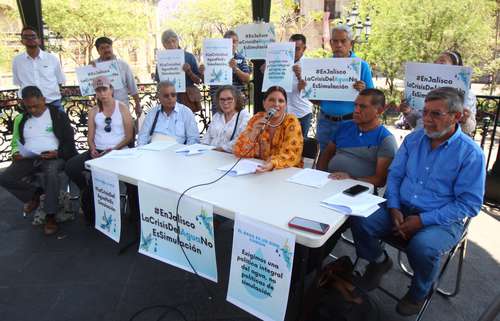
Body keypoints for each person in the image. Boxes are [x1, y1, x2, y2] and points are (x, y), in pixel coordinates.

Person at [350, 87, 485, 316]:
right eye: (425, 112)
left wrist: (422, 220)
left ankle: (419, 291)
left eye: (436, 114)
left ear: (457, 116)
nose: (427, 120)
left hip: (441, 219)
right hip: (399, 207)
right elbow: (395, 175)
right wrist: (393, 206)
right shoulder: (414, 139)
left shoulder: (471, 154)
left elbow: (469, 204)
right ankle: (379, 260)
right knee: (358, 216)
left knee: (423, 247)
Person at [0, 86, 77, 235]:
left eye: (36, 106)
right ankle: (35, 194)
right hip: (28, 157)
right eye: (29, 107)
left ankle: (50, 216)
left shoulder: (58, 115)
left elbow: (69, 142)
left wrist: (57, 153)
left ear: (43, 100)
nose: (33, 110)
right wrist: (16, 153)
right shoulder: (21, 119)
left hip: (54, 156)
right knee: (5, 178)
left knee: (51, 172)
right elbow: (15, 141)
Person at [65, 76, 134, 222]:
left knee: (131, 181)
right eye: (98, 90)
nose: (102, 93)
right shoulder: (94, 111)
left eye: (104, 89)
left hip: (119, 151)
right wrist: (93, 149)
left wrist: (114, 149)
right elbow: (90, 135)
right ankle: (84, 188)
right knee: (71, 166)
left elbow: (129, 136)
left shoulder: (122, 107)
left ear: (111, 90)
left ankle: (132, 214)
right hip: (99, 152)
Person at [316, 89, 397, 189]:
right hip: (329, 183)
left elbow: (380, 180)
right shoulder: (344, 127)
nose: (356, 110)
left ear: (379, 111)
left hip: (357, 190)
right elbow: (326, 155)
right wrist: (319, 177)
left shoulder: (385, 139)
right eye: (355, 105)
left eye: (363, 107)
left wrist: (351, 179)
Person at [317, 25, 374, 150]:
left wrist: (363, 91)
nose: (338, 45)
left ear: (350, 43)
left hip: (350, 123)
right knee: (323, 160)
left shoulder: (361, 65)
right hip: (325, 121)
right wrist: (306, 88)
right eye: (335, 41)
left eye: (343, 41)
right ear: (331, 43)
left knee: (345, 160)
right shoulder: (323, 65)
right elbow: (316, 100)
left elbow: (373, 99)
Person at [234, 86, 304, 172]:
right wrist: (253, 134)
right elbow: (239, 151)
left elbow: (291, 154)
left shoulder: (291, 121)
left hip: (285, 172)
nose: (276, 104)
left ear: (285, 105)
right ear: (264, 103)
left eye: (281, 101)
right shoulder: (257, 118)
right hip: (259, 170)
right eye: (271, 100)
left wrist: (272, 164)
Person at [12, 26, 66, 111]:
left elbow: (60, 81)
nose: (30, 39)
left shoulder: (52, 59)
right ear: (22, 41)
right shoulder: (17, 61)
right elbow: (19, 83)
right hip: (29, 106)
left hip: (52, 103)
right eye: (26, 37)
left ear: (39, 40)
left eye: (33, 36)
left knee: (60, 124)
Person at [200, 30, 252, 114]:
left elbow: (247, 79)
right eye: (229, 42)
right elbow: (205, 80)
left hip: (236, 102)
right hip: (218, 102)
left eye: (234, 41)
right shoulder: (212, 57)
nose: (232, 44)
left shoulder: (241, 58)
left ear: (237, 43)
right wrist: (202, 73)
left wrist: (236, 69)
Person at [91, 37, 142, 117]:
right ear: (98, 51)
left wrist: (138, 104)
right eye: (103, 48)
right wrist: (89, 69)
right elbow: (89, 86)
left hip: (122, 106)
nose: (106, 50)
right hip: (103, 108)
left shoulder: (123, 65)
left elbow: (132, 86)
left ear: (111, 48)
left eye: (108, 47)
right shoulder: (93, 66)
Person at [137, 81, 199, 146]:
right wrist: (142, 152)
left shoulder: (186, 112)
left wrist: (185, 152)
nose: (170, 98)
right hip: (154, 152)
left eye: (173, 95)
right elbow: (142, 137)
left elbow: (193, 138)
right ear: (159, 97)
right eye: (166, 96)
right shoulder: (152, 113)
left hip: (178, 152)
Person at [155, 29, 202, 113]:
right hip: (169, 99)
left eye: (173, 41)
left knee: (187, 124)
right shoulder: (161, 59)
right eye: (168, 42)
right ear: (164, 45)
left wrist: (189, 71)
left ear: (177, 41)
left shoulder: (189, 57)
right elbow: (159, 83)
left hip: (187, 99)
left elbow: (198, 80)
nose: (172, 44)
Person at [435, 50, 477, 135]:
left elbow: (470, 128)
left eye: (442, 62)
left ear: (456, 67)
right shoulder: (423, 91)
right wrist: (408, 112)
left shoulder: (467, 95)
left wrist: (465, 120)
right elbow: (416, 122)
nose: (436, 64)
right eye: (435, 62)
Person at [201, 85, 250, 152]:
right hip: (211, 154)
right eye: (222, 99)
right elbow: (207, 137)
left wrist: (221, 149)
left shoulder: (244, 115)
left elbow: (242, 139)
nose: (225, 103)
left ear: (236, 99)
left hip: (231, 156)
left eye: (229, 99)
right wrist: (202, 148)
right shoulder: (217, 116)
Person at [287, 33, 313, 138]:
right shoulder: (282, 61)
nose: (293, 52)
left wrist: (300, 77)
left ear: (304, 49)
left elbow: (310, 92)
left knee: (301, 146)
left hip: (302, 112)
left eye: (297, 49)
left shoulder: (310, 66)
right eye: (291, 48)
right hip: (284, 112)